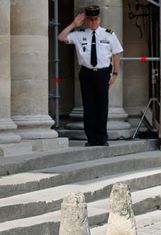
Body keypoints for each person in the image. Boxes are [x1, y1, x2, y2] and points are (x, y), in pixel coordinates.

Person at [58, 5, 123, 146]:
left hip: (103, 73)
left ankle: (102, 138)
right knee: (88, 107)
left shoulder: (109, 34)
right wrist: (74, 24)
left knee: (102, 107)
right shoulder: (79, 34)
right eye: (91, 19)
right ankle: (91, 139)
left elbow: (116, 54)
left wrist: (115, 74)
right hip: (87, 73)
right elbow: (61, 37)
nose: (93, 22)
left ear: (99, 19)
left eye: (96, 19)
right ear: (87, 21)